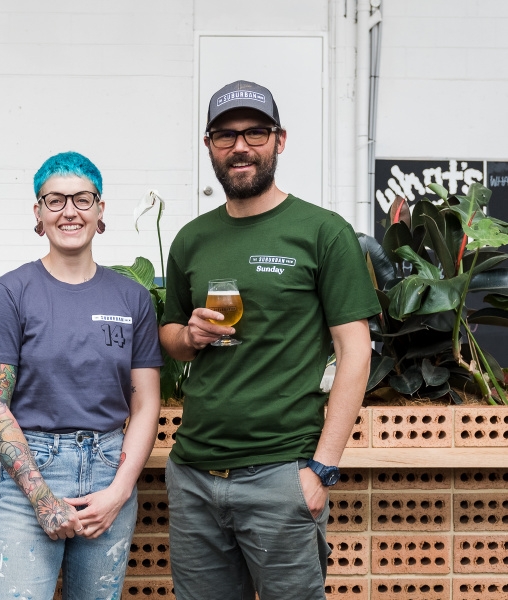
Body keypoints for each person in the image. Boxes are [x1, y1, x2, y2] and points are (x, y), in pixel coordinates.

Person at [159, 80, 380, 600]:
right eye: (225, 135)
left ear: (280, 140)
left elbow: (356, 350)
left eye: (255, 132)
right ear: (210, 145)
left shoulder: (322, 232)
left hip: (281, 472)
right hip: (193, 473)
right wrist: (188, 335)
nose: (240, 146)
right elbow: (169, 335)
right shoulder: (192, 237)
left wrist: (322, 468)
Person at [0, 151, 163, 600]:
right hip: (32, 473)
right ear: (37, 215)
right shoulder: (13, 291)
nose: (69, 211)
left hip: (110, 470)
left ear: (100, 211)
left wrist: (119, 490)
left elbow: (146, 402)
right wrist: (41, 498)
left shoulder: (131, 297)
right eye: (54, 201)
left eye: (82, 199)